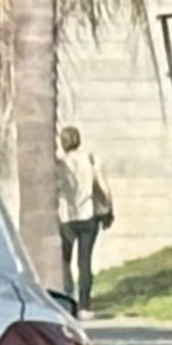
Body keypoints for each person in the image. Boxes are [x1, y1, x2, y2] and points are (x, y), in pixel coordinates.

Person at [55, 126, 113, 316]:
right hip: (88, 215)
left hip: (66, 217)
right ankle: (84, 306)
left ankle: (67, 299)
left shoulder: (58, 163)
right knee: (84, 262)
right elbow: (102, 187)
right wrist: (109, 209)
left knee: (64, 261)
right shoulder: (90, 159)